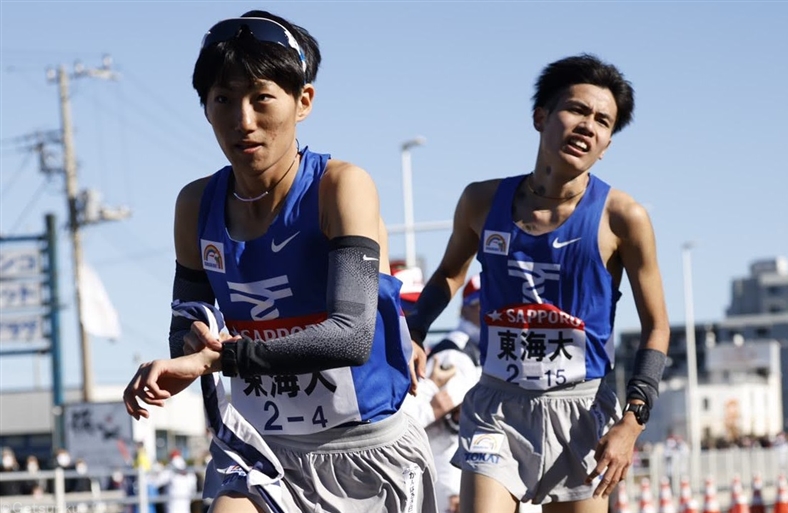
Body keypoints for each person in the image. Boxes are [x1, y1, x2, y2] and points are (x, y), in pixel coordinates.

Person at [122, 9, 435, 513]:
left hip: (363, 447)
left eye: (261, 97)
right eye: (223, 99)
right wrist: (184, 351)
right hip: (258, 443)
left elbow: (351, 335)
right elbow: (188, 321)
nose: (243, 120)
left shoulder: (341, 186)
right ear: (205, 108)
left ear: (303, 101)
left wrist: (222, 357)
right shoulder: (194, 205)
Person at [404, 53, 670, 513]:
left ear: (606, 144)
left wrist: (632, 420)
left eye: (603, 121)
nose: (588, 125)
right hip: (497, 402)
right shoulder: (480, 201)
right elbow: (450, 273)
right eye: (577, 110)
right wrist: (413, 331)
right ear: (541, 117)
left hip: (581, 408)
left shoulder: (623, 218)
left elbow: (657, 327)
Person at [403, 276, 483, 513]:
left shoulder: (478, 350)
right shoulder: (455, 355)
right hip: (449, 478)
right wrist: (452, 488)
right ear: (465, 308)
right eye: (481, 305)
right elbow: (444, 432)